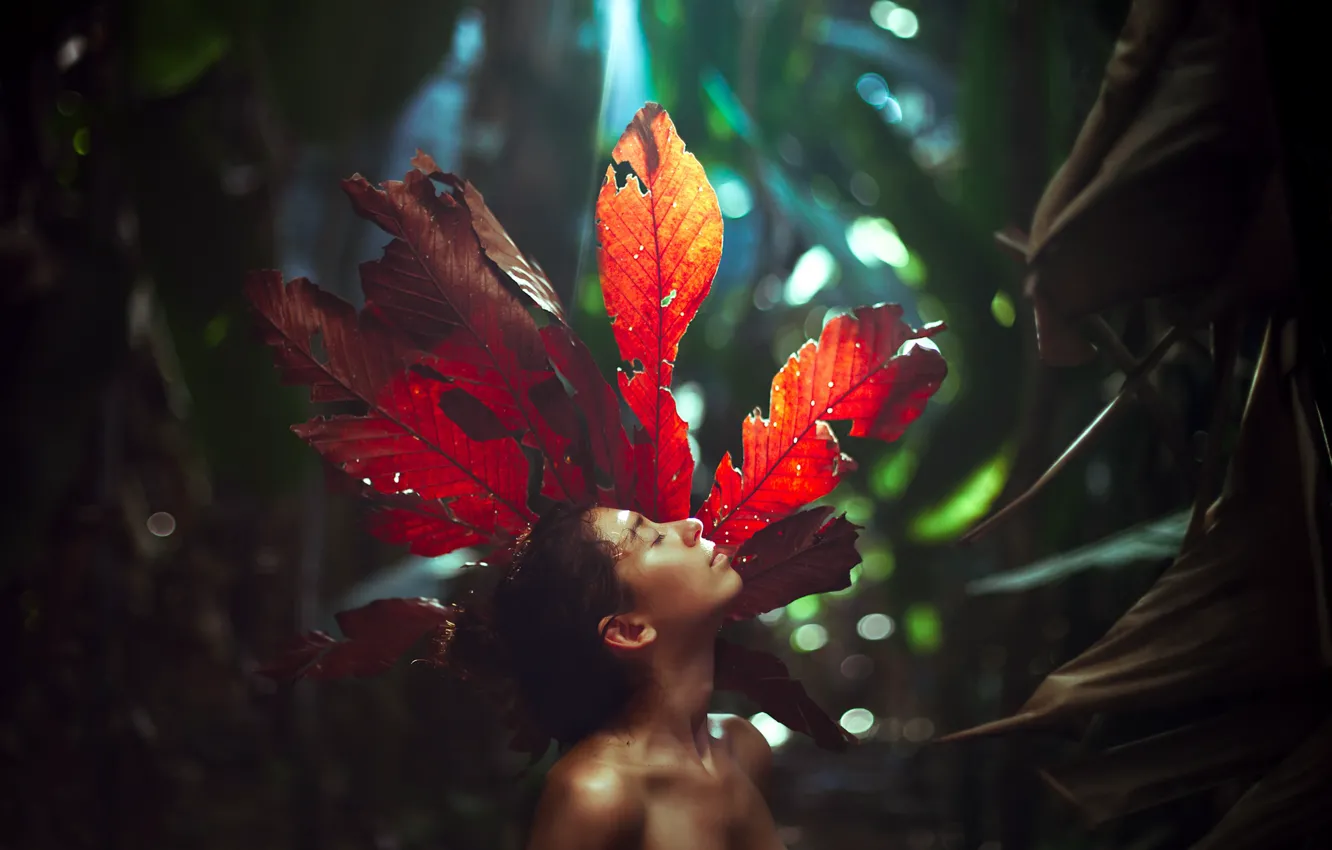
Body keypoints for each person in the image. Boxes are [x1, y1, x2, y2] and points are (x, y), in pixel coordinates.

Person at [489, 502, 786, 850]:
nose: (692, 525)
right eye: (656, 538)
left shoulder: (745, 746)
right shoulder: (597, 793)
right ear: (628, 630)